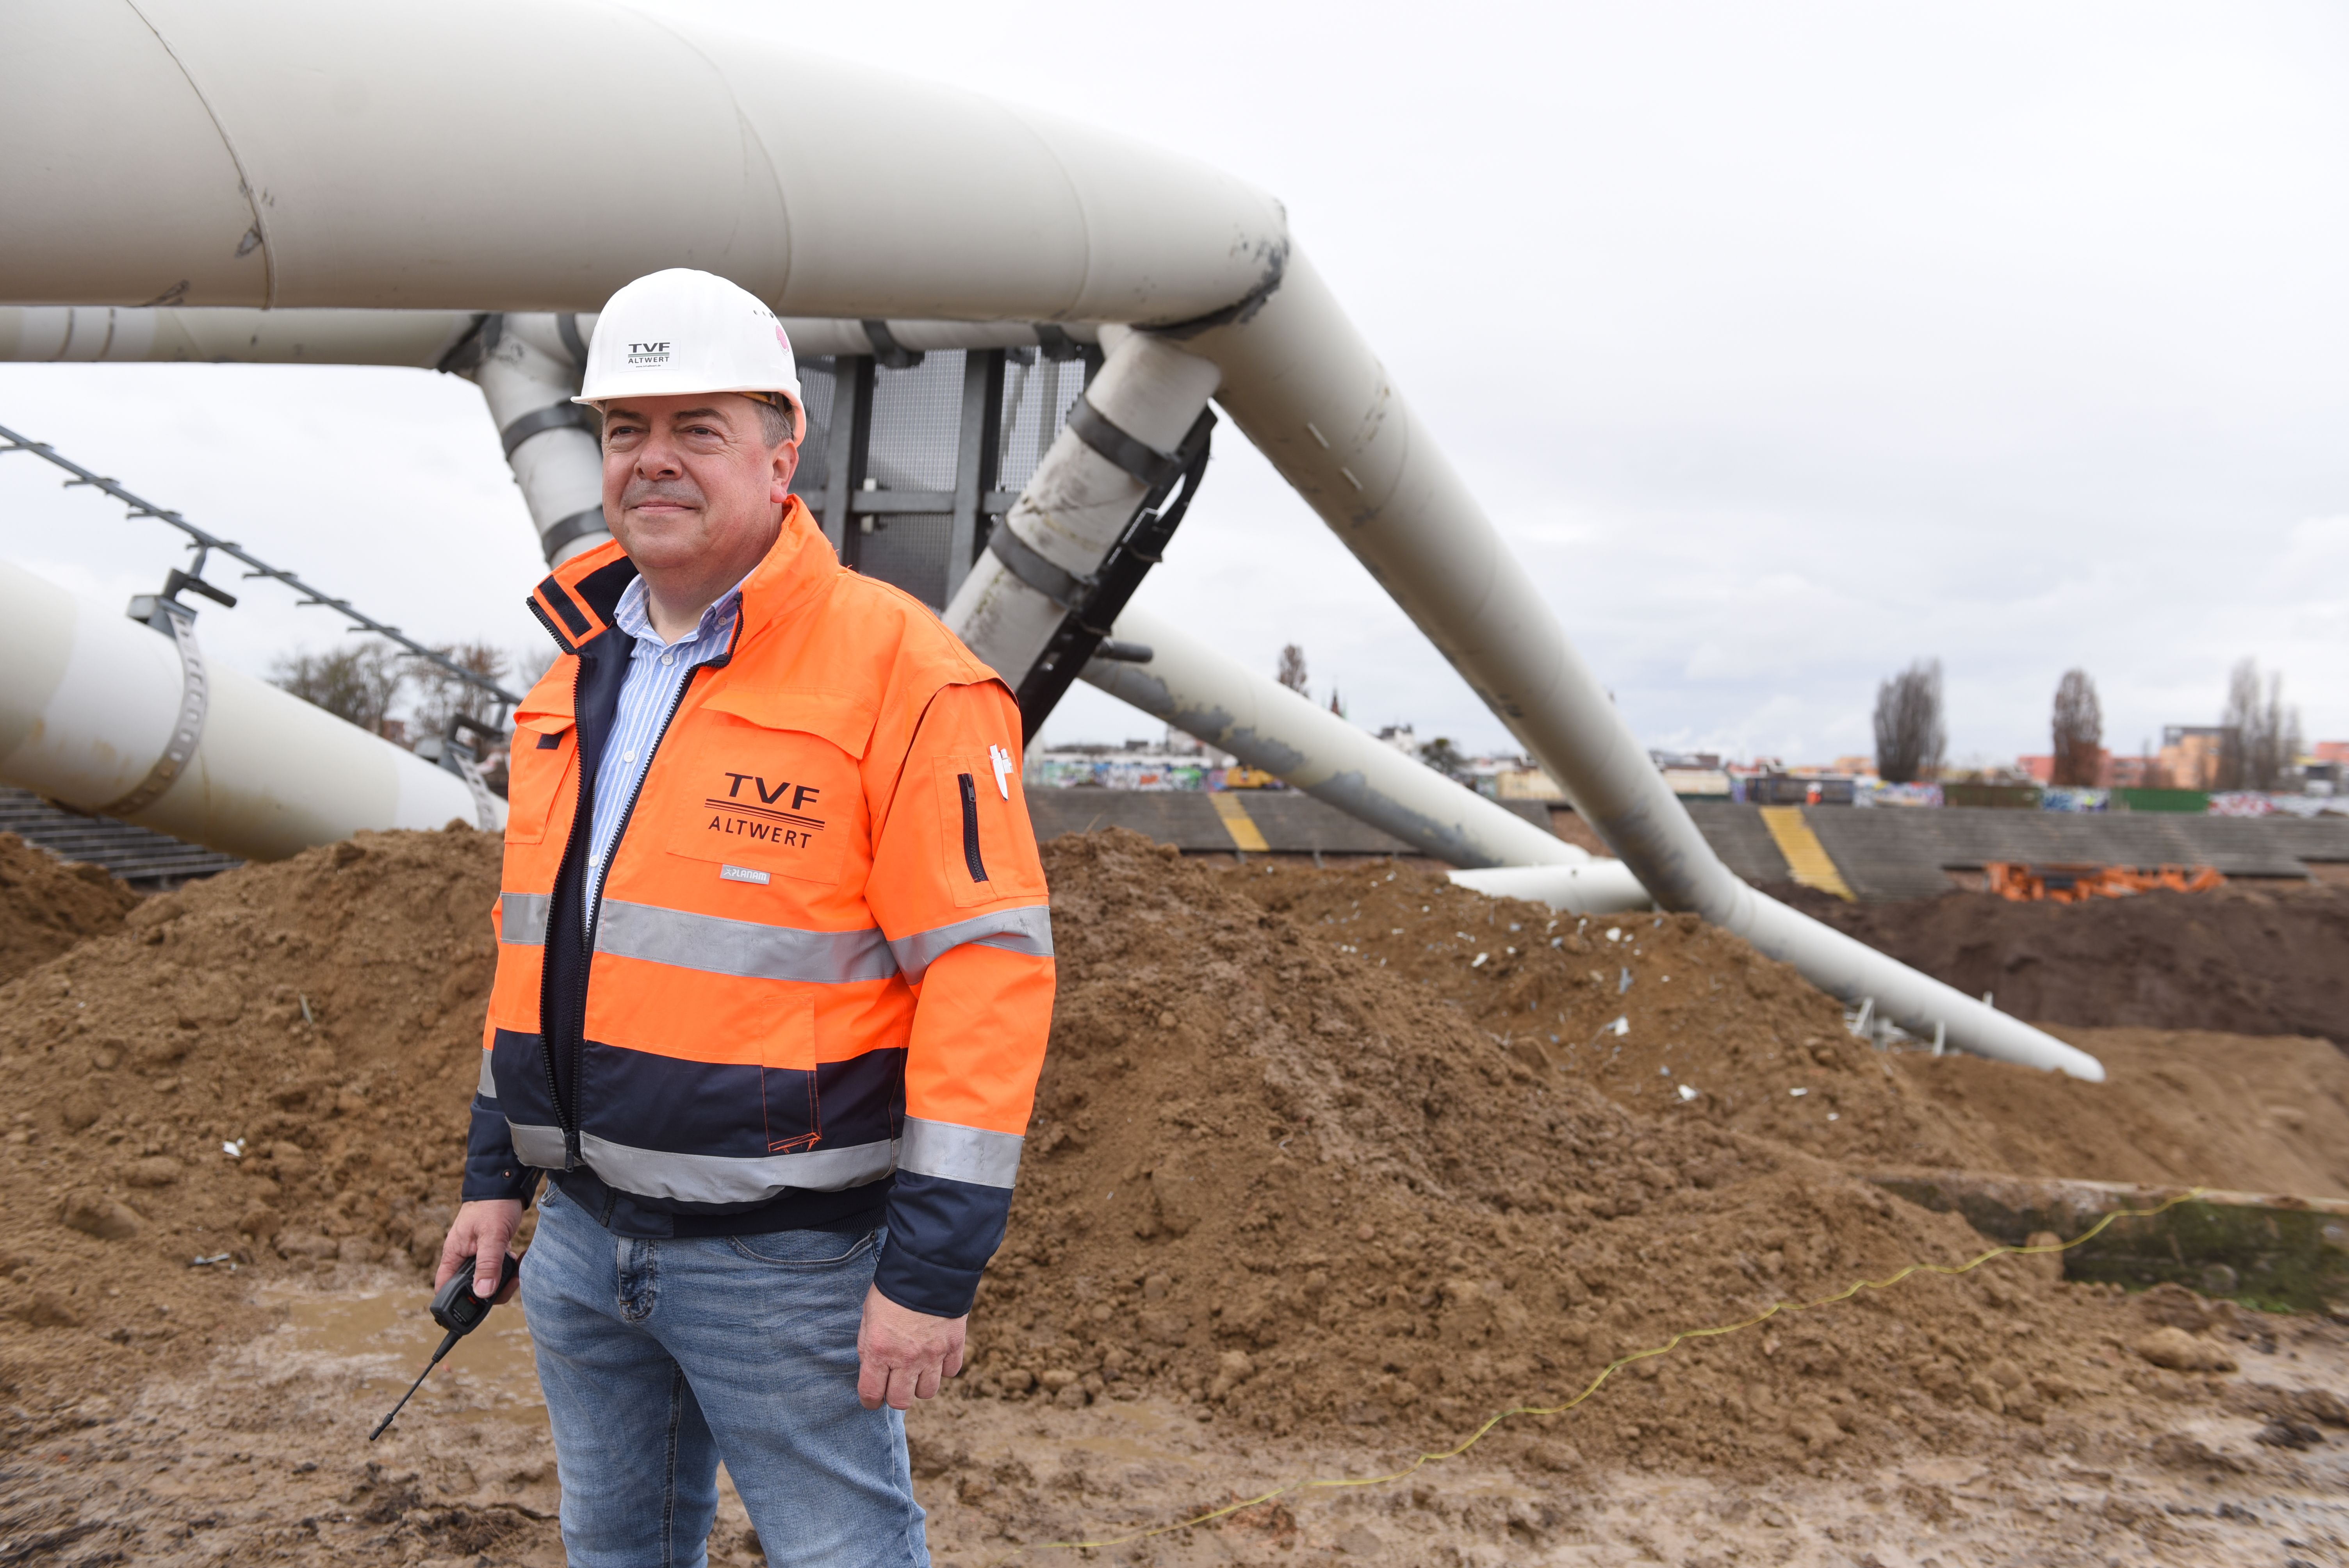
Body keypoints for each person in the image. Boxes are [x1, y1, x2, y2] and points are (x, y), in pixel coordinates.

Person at [436, 268, 1055, 1568]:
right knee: (612, 1545)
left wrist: (929, 1278)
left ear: (783, 455)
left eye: (697, 430)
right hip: (584, 1242)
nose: (652, 462)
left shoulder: (908, 677)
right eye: (625, 432)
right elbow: (541, 950)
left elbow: (987, 982)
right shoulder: (575, 673)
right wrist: (499, 1178)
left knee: (843, 1552)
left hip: (789, 1269)